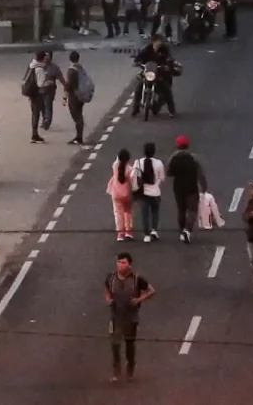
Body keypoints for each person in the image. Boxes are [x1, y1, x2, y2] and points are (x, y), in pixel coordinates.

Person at [104, 251, 155, 382]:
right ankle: (116, 370)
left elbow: (151, 290)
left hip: (131, 317)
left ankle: (130, 367)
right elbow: (107, 290)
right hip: (116, 316)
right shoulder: (111, 278)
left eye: (124, 263)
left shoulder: (137, 279)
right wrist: (108, 299)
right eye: (119, 262)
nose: (121, 265)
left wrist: (139, 300)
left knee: (129, 344)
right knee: (115, 344)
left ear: (129, 265)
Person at [168, 135, 204, 243]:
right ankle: (188, 231)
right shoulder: (193, 158)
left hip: (178, 188)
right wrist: (204, 187)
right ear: (187, 145)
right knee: (192, 210)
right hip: (191, 187)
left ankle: (182, 231)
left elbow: (169, 172)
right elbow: (200, 173)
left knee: (181, 209)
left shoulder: (173, 158)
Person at [23, 48, 56, 141]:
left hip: (32, 93)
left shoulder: (31, 65)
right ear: (42, 58)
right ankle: (34, 135)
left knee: (35, 113)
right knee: (36, 114)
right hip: (37, 94)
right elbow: (41, 84)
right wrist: (49, 83)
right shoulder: (39, 69)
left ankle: (35, 134)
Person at [134, 142, 165, 240]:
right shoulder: (159, 163)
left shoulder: (138, 162)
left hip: (143, 193)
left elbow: (134, 176)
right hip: (156, 192)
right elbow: (162, 177)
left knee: (145, 214)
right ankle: (154, 230)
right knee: (155, 212)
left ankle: (146, 235)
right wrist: (157, 184)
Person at [64, 51, 95, 145]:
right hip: (81, 95)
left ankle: (79, 137)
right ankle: (79, 136)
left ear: (70, 59)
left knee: (76, 116)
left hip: (74, 96)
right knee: (79, 114)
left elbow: (70, 85)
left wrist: (65, 96)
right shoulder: (80, 68)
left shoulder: (71, 70)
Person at [109, 148, 137, 239]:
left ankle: (120, 233)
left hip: (116, 193)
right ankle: (128, 231)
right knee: (128, 212)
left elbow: (117, 160)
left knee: (118, 213)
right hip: (127, 194)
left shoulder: (115, 166)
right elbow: (132, 181)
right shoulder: (129, 169)